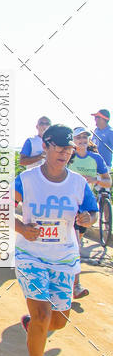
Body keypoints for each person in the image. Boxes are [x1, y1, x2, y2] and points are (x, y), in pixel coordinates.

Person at [15, 124, 98, 356]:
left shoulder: (78, 183)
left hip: (63, 258)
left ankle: (32, 326)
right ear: (46, 147)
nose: (65, 153)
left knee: (59, 321)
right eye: (59, 147)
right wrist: (21, 227)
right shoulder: (26, 180)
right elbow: (1, 209)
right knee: (42, 314)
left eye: (69, 149)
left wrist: (87, 218)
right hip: (31, 257)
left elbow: (92, 212)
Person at [68, 127, 111, 298]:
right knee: (74, 246)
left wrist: (95, 179)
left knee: (75, 244)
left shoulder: (96, 158)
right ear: (73, 140)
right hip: (68, 206)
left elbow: (108, 182)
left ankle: (70, 282)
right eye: (78, 138)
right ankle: (75, 285)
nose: (82, 140)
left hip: (86, 206)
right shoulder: (69, 156)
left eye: (85, 137)